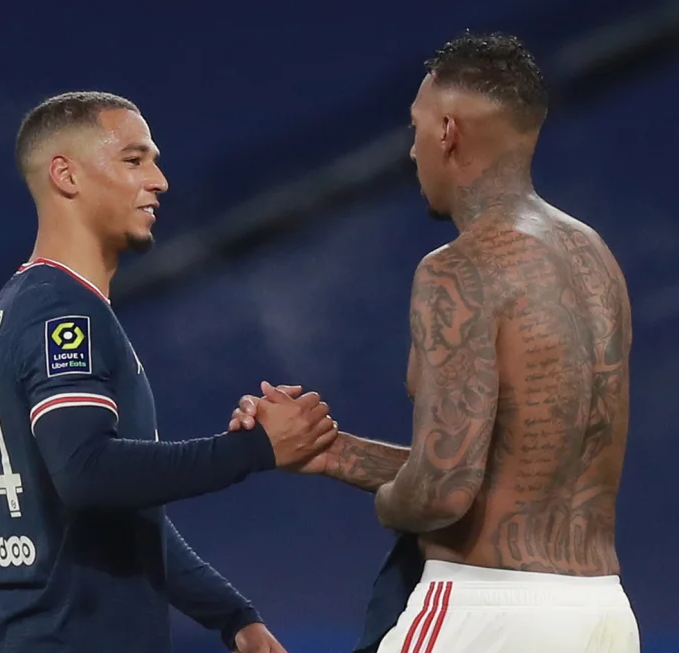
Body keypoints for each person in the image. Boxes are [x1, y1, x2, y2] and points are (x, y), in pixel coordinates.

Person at [232, 32, 639, 652]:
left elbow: (441, 492)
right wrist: (333, 453)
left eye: (415, 127)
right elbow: (501, 471)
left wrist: (389, 504)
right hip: (601, 613)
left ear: (447, 132)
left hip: (485, 610)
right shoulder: (594, 258)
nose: (411, 149)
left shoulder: (457, 269)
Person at [0, 91, 338, 653]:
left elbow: (114, 509)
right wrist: (255, 449)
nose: (159, 181)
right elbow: (88, 472)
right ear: (66, 175)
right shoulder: (62, 312)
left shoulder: (30, 301)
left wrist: (232, 615)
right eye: (133, 159)